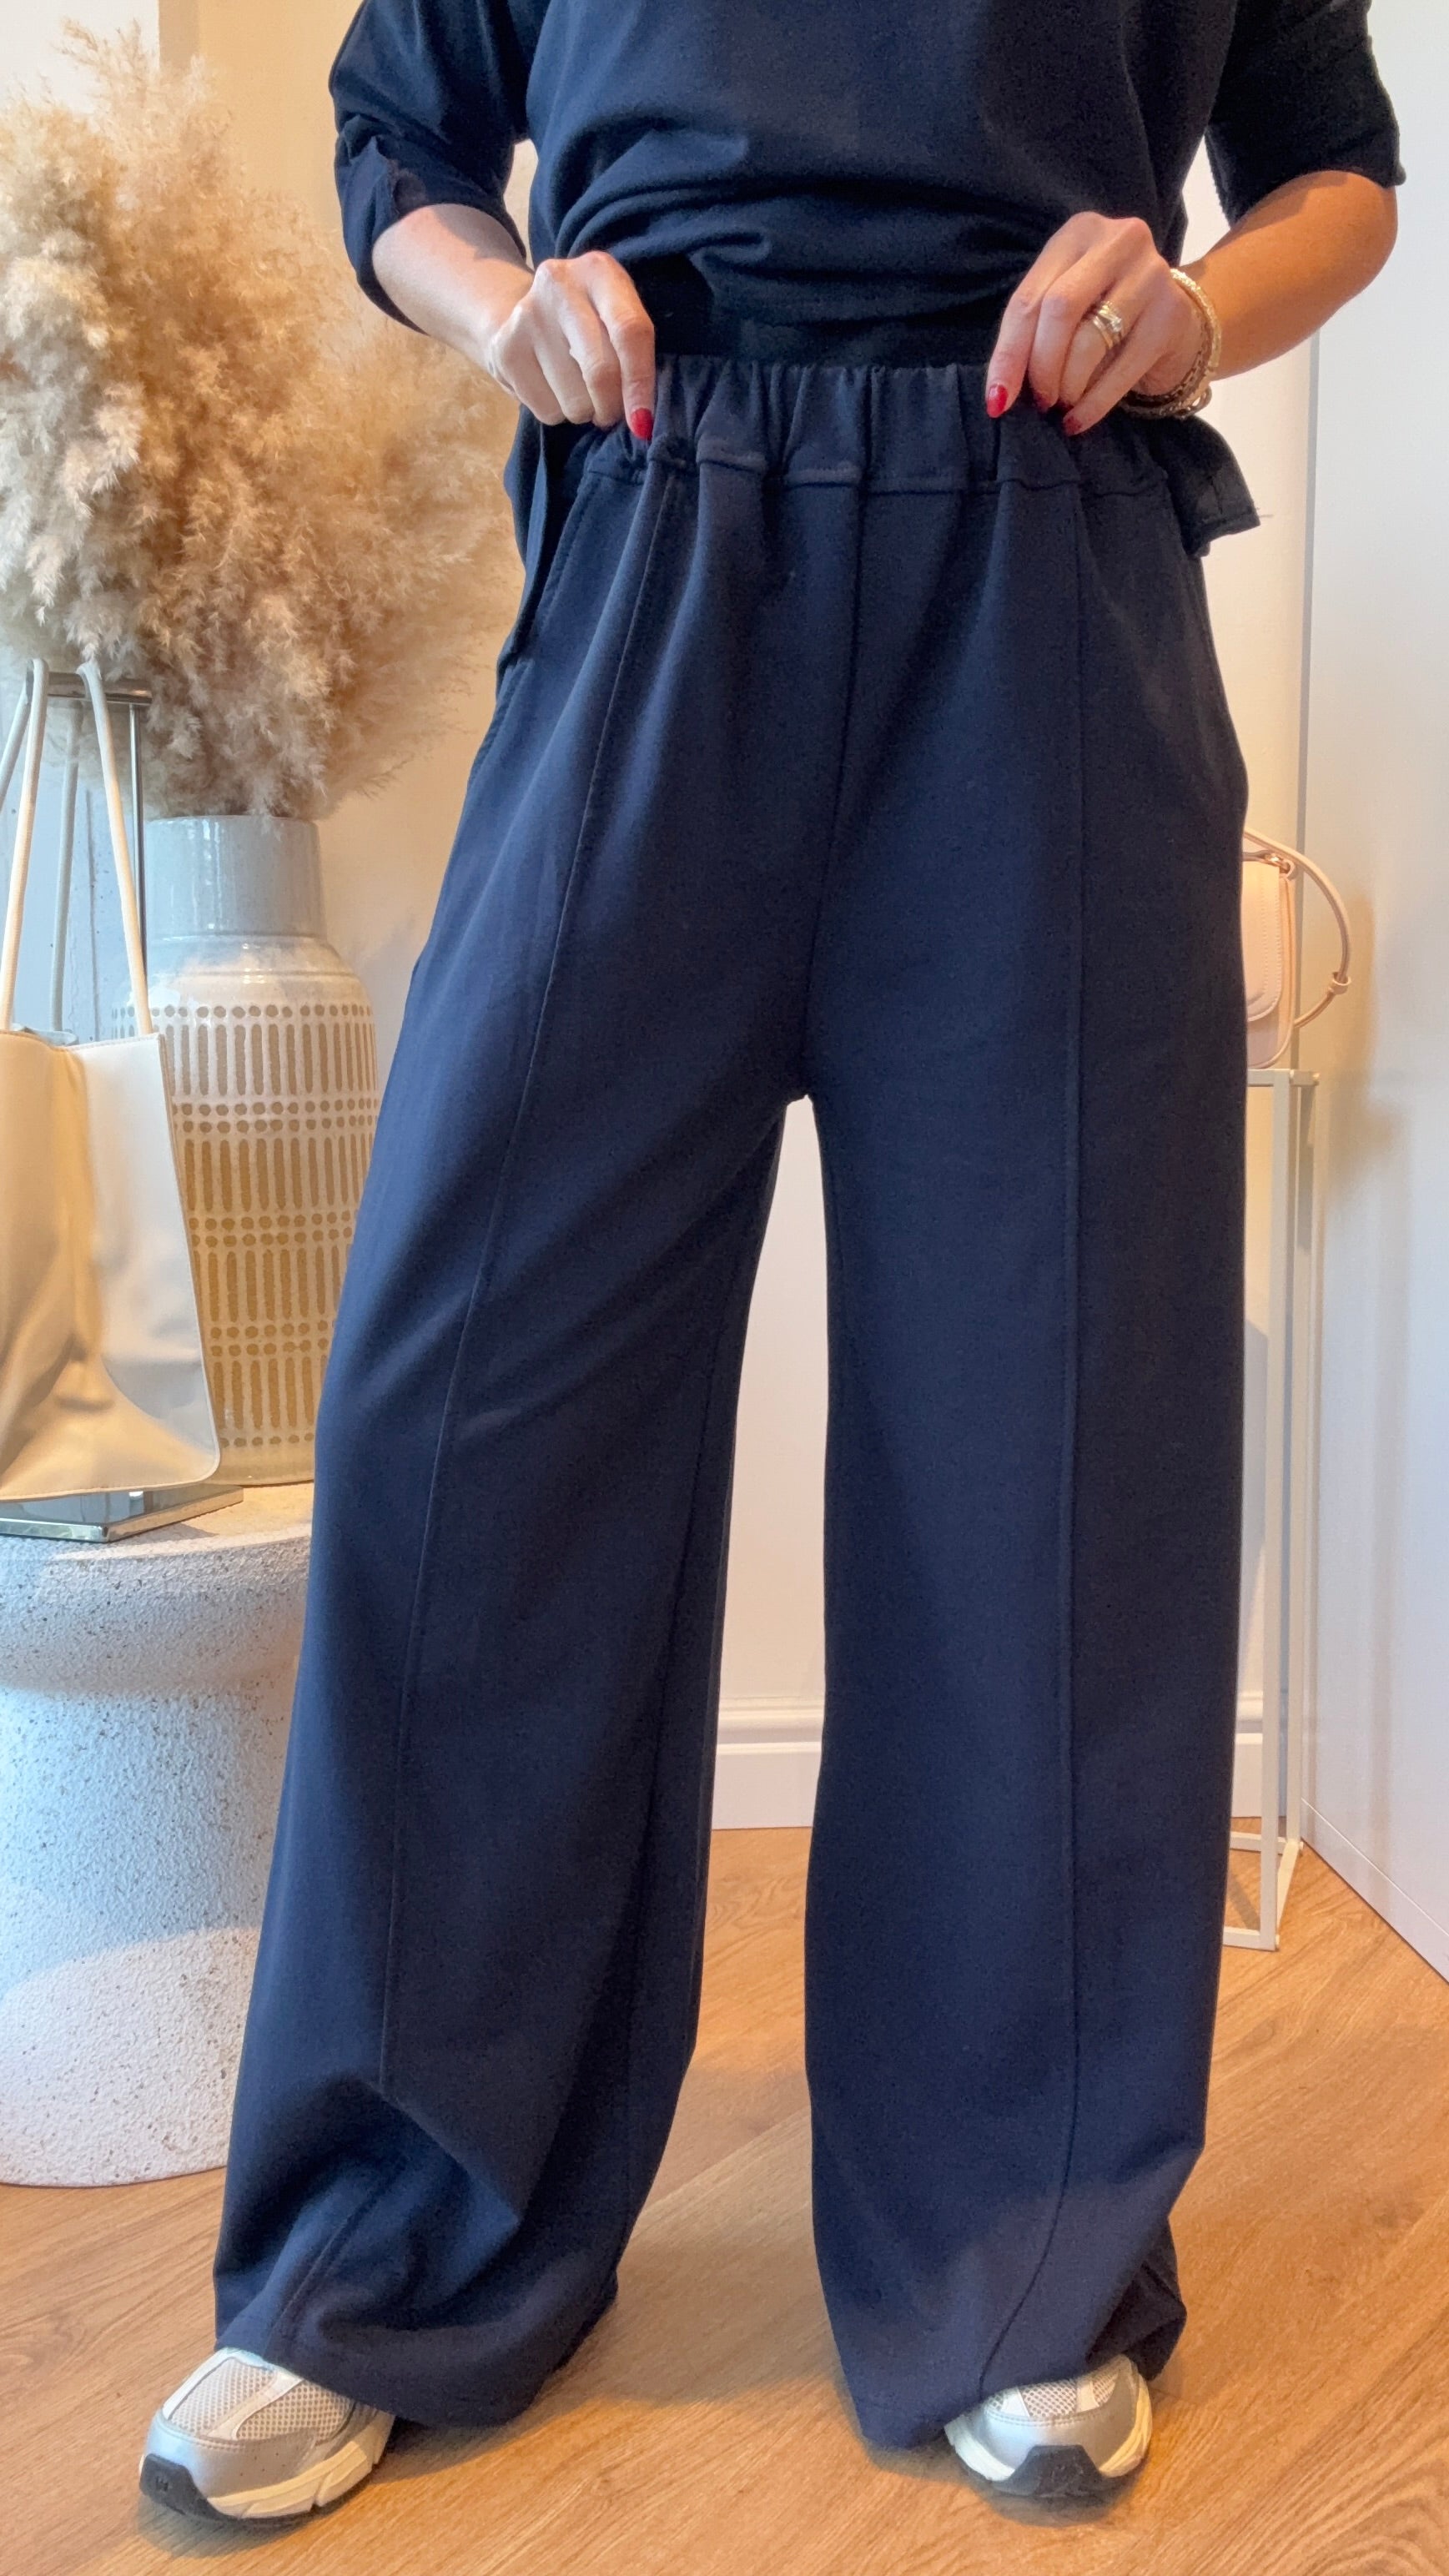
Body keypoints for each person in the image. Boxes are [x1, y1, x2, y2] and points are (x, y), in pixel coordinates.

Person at [139, 0, 1400, 2524]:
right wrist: (504, 300)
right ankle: (388, 2239)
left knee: (1044, 1443)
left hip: (1043, 559)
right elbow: (398, 135)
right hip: (654, 541)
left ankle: (1023, 2255)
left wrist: (1192, 305)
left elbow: (1336, 170)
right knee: (467, 1415)